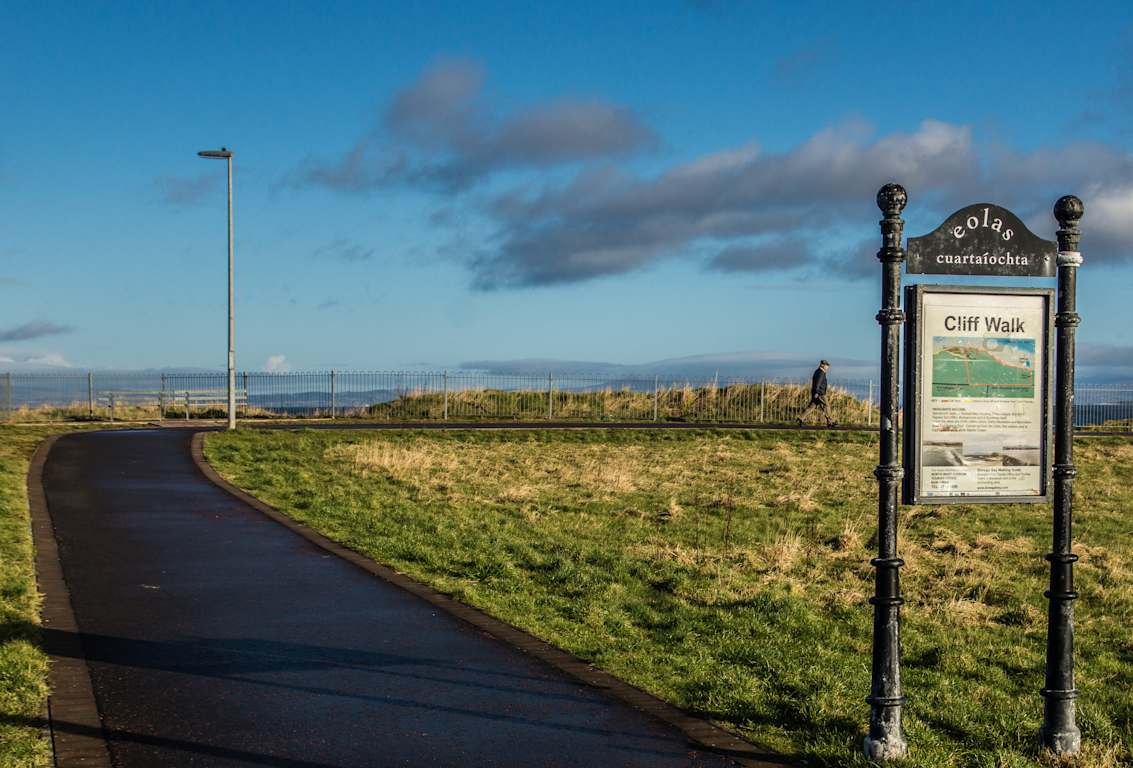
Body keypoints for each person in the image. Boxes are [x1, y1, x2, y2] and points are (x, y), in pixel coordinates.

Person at [798, 359, 836, 427]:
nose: (828, 367)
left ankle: (801, 418)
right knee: (826, 406)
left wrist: (815, 392)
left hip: (816, 392)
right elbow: (818, 383)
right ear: (822, 365)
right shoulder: (821, 372)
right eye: (826, 365)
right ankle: (830, 422)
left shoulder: (817, 371)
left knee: (811, 407)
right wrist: (817, 392)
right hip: (820, 393)